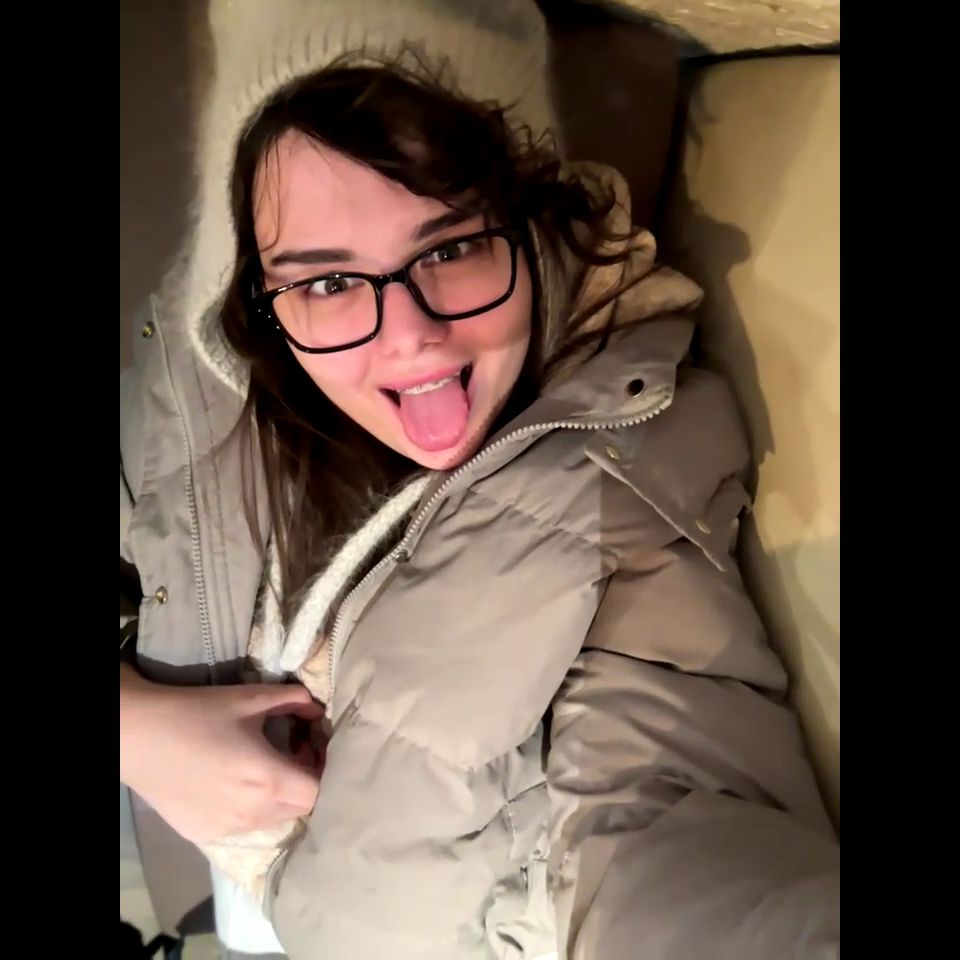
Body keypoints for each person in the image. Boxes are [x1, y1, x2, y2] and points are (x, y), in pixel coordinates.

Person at [120, 2, 839, 957]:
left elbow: (654, 821)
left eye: (450, 248)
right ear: (254, 290)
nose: (409, 337)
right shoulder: (202, 394)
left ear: (533, 226)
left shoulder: (624, 474)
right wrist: (134, 727)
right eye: (328, 281)